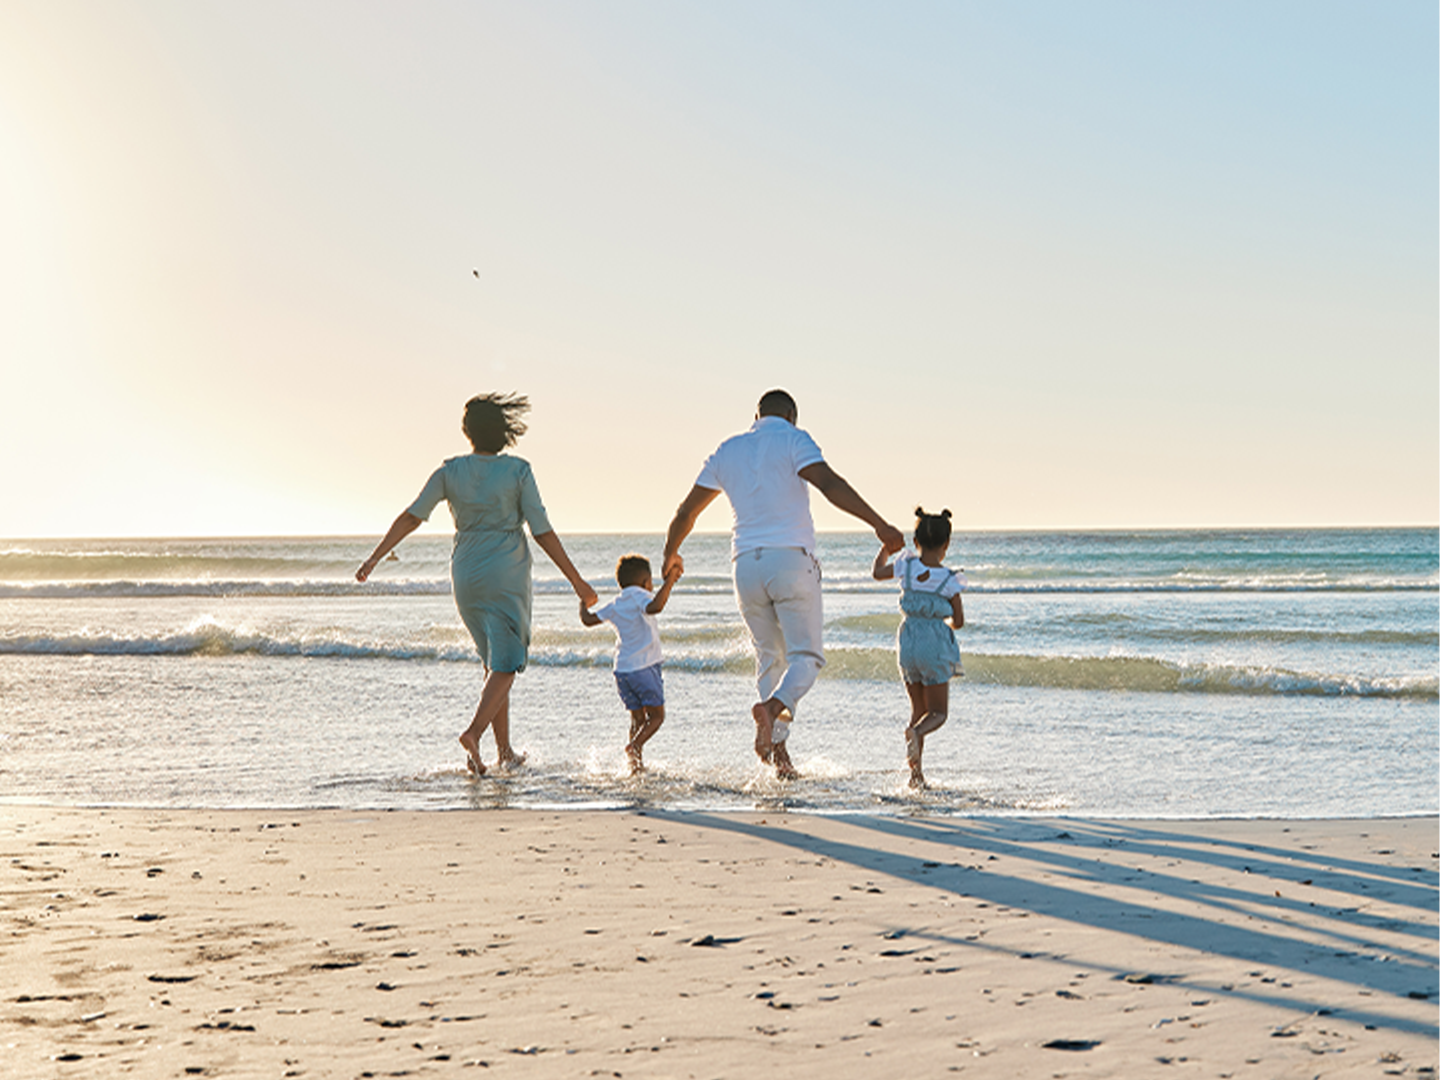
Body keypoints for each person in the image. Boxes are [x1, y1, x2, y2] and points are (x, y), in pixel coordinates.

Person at [663, 389, 904, 778]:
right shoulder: (795, 439)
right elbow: (829, 484)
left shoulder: (728, 449)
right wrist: (879, 524)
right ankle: (773, 712)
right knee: (805, 659)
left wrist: (669, 554)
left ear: (754, 415)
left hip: (744, 566)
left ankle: (780, 756)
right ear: (792, 415)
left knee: (768, 659)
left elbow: (686, 512)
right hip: (790, 561)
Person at [356, 393, 597, 776]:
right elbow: (542, 531)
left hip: (465, 571)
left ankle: (505, 752)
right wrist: (577, 581)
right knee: (508, 660)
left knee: (493, 662)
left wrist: (375, 556)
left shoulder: (449, 471)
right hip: (506, 571)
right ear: (503, 433)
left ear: (467, 432)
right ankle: (474, 732)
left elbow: (412, 516)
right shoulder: (519, 471)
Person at [872, 507, 966, 789]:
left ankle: (916, 777)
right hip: (934, 645)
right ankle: (915, 736)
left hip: (908, 642)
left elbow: (877, 573)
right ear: (946, 544)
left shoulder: (907, 566)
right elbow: (958, 622)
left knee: (918, 709)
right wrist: (942, 623)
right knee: (937, 714)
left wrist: (885, 549)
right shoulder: (950, 579)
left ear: (916, 542)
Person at [579, 554, 683, 773]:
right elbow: (655, 607)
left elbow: (588, 620)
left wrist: (583, 603)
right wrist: (670, 581)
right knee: (657, 717)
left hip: (622, 671)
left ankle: (635, 764)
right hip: (644, 668)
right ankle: (634, 747)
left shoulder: (616, 603)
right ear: (646, 582)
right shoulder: (640, 597)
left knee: (637, 719)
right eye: (651, 582)